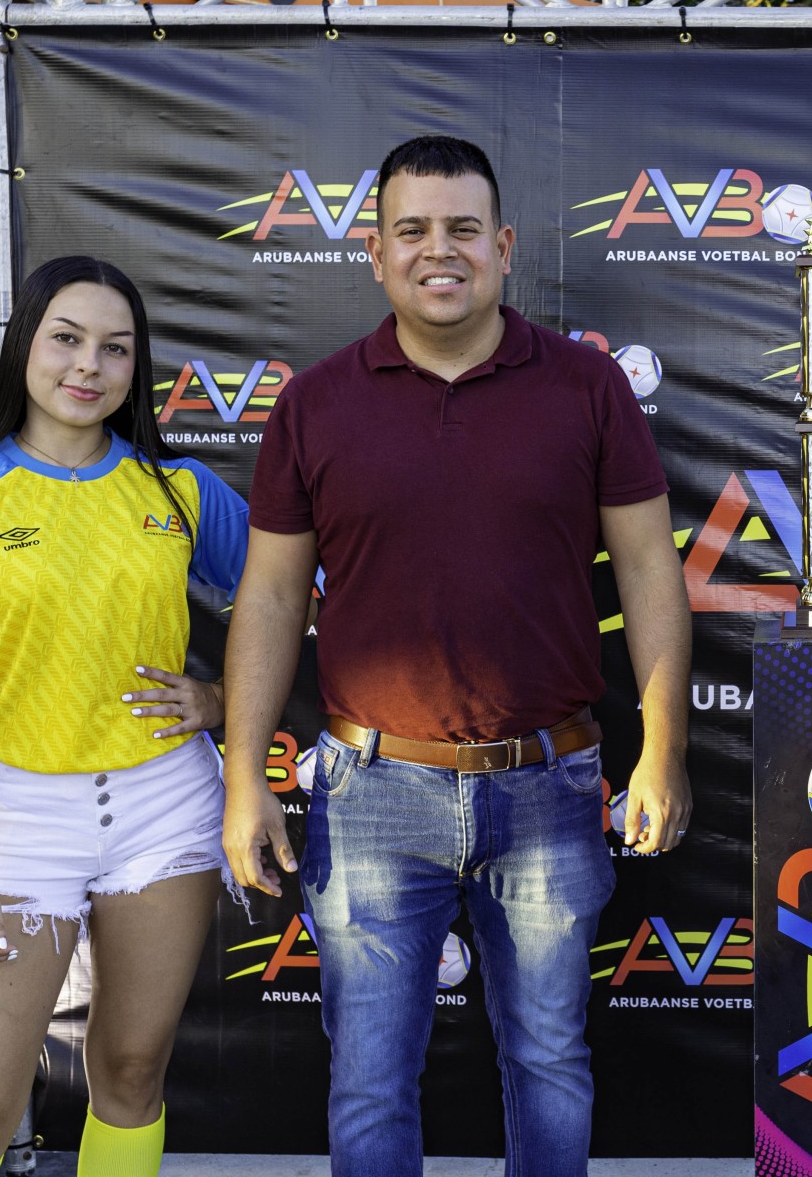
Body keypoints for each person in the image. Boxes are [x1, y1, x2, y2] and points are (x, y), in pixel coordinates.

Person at [220, 134, 692, 1177]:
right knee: (369, 1081)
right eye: (413, 231)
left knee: (550, 1062)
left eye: (463, 230)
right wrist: (242, 778)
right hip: (370, 791)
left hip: (550, 783)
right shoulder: (315, 404)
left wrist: (662, 752)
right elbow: (271, 597)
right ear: (376, 254)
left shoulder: (587, 387)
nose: (440, 251)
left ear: (504, 247)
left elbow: (650, 574)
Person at [0, 256, 250, 1177]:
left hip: (164, 809)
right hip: (14, 823)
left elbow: (298, 604)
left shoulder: (180, 490)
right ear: (24, 347)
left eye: (115, 348)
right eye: (66, 338)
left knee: (130, 1073)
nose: (89, 365)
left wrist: (220, 700)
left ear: (137, 367)